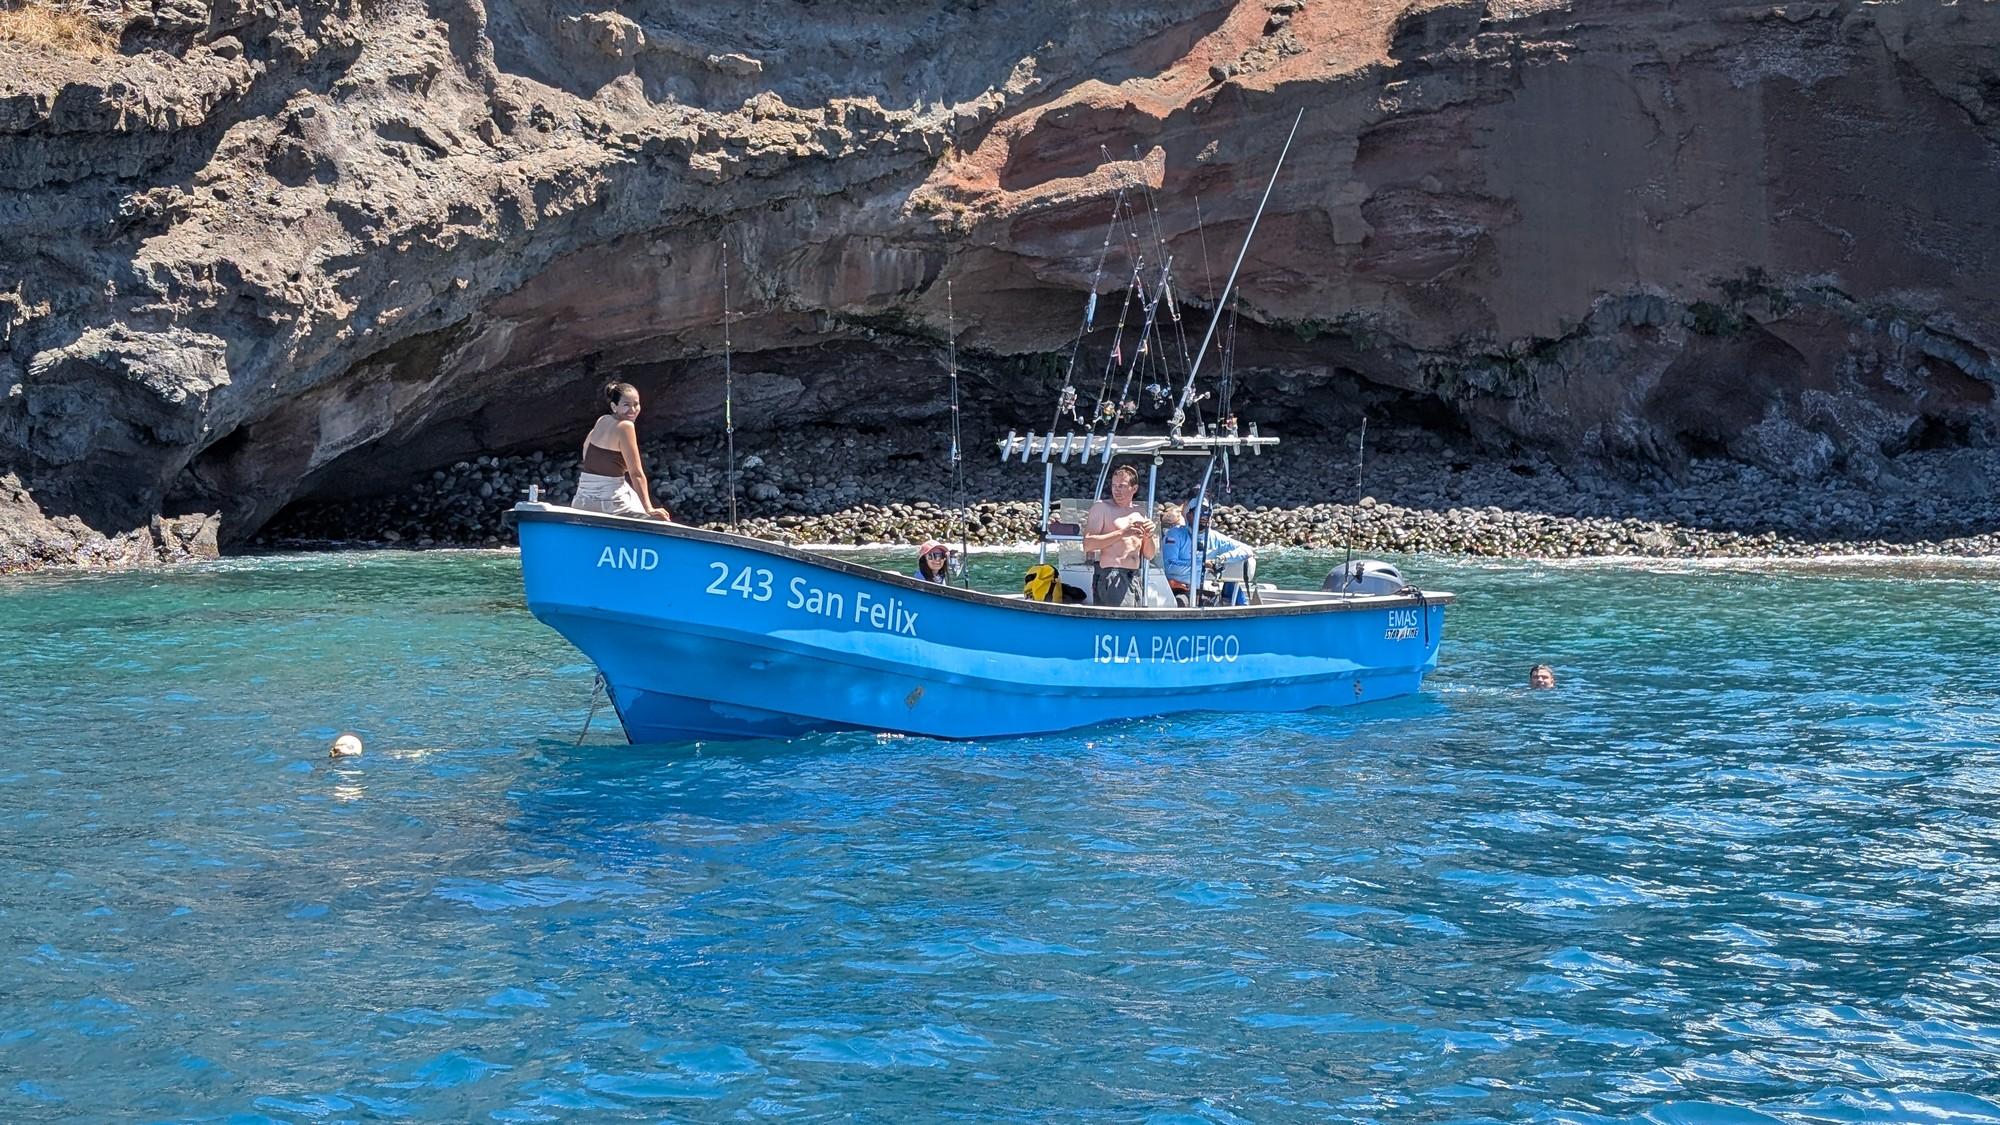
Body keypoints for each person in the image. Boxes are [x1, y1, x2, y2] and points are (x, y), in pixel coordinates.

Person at [571, 382, 671, 521]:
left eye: (636, 404)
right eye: (626, 405)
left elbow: (585, 448)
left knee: (629, 492)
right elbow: (636, 474)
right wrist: (649, 508)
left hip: (581, 501)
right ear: (614, 407)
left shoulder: (602, 420)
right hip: (608, 506)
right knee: (658, 518)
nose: (633, 410)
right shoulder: (626, 426)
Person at [1083, 463, 1157, 607]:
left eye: (1122, 486)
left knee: (1133, 619)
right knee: (1119, 618)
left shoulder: (1140, 512)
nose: (1117, 490)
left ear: (1134, 489)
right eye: (1114, 486)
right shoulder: (1101, 508)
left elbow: (1149, 555)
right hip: (1112, 574)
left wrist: (1149, 536)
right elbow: (1088, 544)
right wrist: (1122, 533)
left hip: (1134, 577)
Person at [1160, 498, 1255, 605]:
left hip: (1207, 592)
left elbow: (1247, 550)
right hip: (1180, 590)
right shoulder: (1175, 535)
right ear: (1189, 515)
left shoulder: (1215, 537)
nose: (1203, 516)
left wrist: (1222, 558)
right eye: (1199, 512)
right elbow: (1169, 567)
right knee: (1180, 602)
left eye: (1207, 513)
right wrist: (1202, 565)